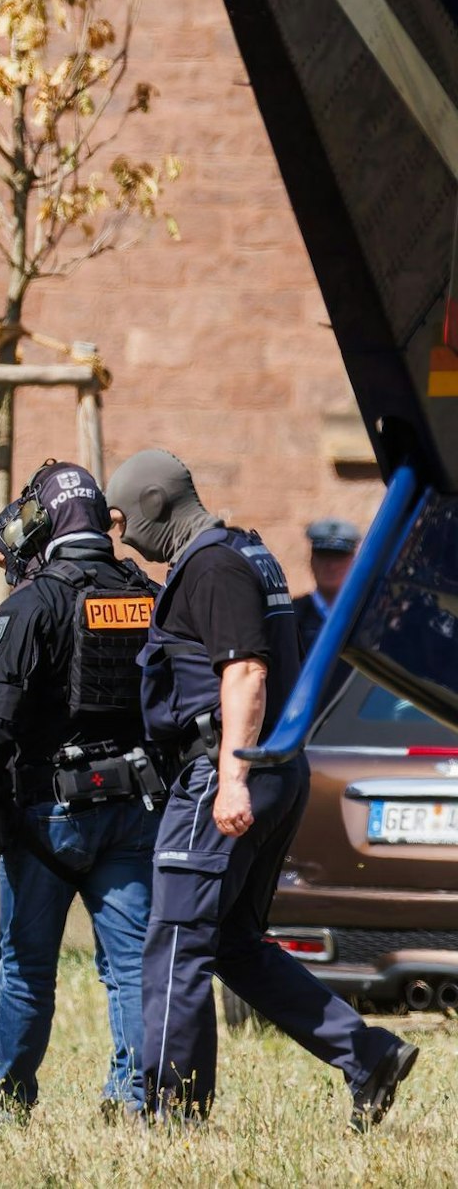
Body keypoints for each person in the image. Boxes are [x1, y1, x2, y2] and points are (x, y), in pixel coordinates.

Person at [109, 449, 416, 1130]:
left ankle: (171, 1111)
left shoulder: (212, 565)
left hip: (227, 771)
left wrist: (230, 779)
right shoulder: (249, 554)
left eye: (126, 519)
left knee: (176, 940)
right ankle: (367, 1054)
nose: (124, 535)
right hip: (271, 768)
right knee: (231, 944)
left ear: (156, 505)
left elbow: (245, 671)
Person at [0, 463, 162, 1124]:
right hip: (133, 807)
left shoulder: (33, 603)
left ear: (43, 522)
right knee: (130, 966)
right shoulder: (146, 594)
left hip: (50, 816)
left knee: (26, 965)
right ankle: (135, 1100)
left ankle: (4, 1099)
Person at [292, 517, 361, 704]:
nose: (330, 565)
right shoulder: (291, 617)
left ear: (353, 562)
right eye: (324, 556)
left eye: (338, 557)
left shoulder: (367, 616)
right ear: (312, 560)